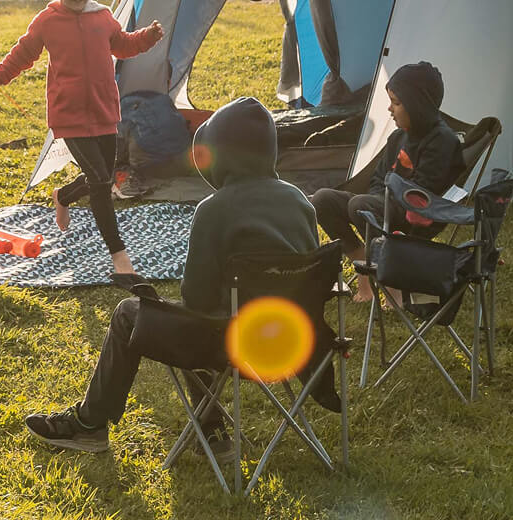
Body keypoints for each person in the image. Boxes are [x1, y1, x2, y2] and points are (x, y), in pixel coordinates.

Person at [23, 96, 321, 457]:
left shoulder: (214, 209)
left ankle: (90, 425)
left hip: (235, 347)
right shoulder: (300, 201)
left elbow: (196, 299)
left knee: (134, 313)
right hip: (293, 344)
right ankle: (211, 433)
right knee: (208, 319)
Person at [0, 0, 163, 284]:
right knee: (102, 183)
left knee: (101, 174)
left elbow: (123, 45)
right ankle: (120, 257)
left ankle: (64, 195)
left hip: (104, 110)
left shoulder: (103, 17)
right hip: (68, 115)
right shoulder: (47, 20)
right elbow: (23, 53)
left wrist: (146, 38)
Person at [312, 61, 465, 302]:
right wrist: (377, 198)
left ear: (417, 105)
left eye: (396, 103)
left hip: (417, 214)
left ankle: (393, 285)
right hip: (385, 205)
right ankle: (364, 268)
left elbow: (423, 191)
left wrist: (378, 201)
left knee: (360, 205)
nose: (390, 110)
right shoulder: (397, 137)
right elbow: (378, 178)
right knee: (323, 200)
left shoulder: (443, 142)